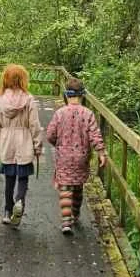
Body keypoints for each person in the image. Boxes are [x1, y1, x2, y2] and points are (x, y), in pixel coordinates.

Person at [45, 77, 106, 235]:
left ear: (66, 94)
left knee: (65, 187)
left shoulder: (60, 113)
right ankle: (76, 214)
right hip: (82, 157)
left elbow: (50, 134)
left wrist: (57, 144)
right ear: (82, 95)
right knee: (78, 186)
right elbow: (95, 135)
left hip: (64, 156)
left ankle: (66, 222)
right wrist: (101, 152)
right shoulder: (88, 114)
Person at [0, 64, 43, 226]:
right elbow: (34, 125)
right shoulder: (28, 99)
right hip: (24, 142)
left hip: (7, 142)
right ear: (22, 80)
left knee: (9, 179)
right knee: (23, 178)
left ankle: (7, 211)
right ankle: (19, 201)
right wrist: (38, 145)